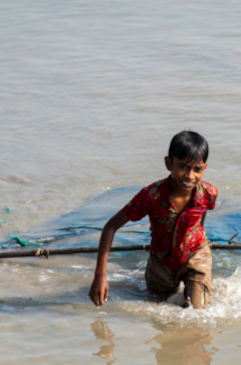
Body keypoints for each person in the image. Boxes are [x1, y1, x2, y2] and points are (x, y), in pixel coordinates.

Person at [89, 131, 218, 309]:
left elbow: (201, 215)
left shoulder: (208, 193)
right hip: (161, 263)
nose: (190, 176)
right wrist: (100, 276)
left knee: (196, 314)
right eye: (183, 167)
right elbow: (111, 227)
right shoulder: (151, 196)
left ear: (205, 168)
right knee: (158, 309)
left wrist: (198, 238)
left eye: (197, 169)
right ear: (168, 163)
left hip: (195, 255)